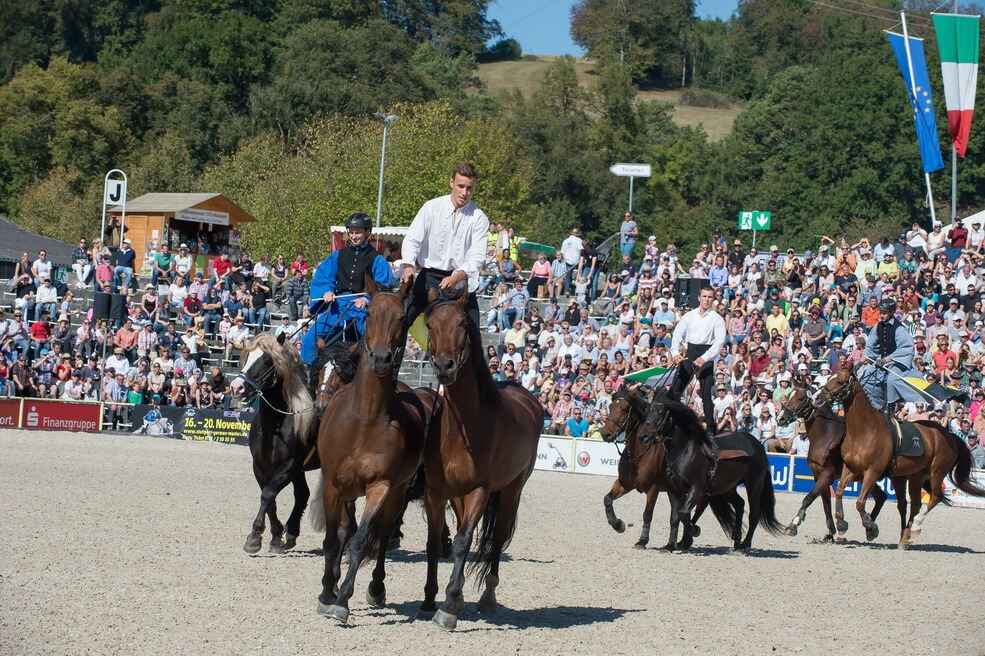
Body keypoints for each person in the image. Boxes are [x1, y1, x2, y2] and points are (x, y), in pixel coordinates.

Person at [400, 162, 488, 328]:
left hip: (460, 282)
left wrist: (456, 277)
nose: (464, 193)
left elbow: (477, 257)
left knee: (474, 332)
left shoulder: (479, 218)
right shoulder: (431, 207)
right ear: (451, 183)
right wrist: (408, 265)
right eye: (460, 186)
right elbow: (413, 239)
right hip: (428, 278)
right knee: (401, 321)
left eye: (470, 188)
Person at [302, 212, 395, 366]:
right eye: (351, 232)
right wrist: (327, 291)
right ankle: (309, 376)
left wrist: (366, 299)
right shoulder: (337, 256)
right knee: (309, 339)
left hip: (363, 310)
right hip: (337, 308)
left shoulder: (377, 259)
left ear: (367, 232)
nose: (353, 236)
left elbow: (383, 287)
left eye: (357, 232)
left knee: (374, 341)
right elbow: (324, 277)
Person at [860, 298, 926, 413]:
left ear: (891, 312)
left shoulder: (899, 329)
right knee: (866, 377)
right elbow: (870, 345)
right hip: (882, 361)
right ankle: (877, 405)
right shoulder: (877, 327)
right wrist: (861, 360)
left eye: (884, 313)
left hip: (897, 362)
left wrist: (887, 359)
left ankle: (891, 408)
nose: (881, 315)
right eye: (881, 312)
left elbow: (907, 348)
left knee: (891, 380)